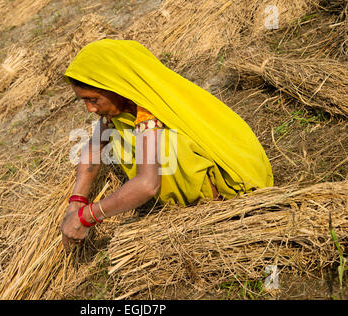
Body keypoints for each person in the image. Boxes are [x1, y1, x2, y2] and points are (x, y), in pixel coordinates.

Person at [60, 39, 273, 251]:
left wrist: (88, 216)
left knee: (169, 146)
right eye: (84, 101)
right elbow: (95, 149)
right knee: (116, 136)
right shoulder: (121, 104)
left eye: (93, 100)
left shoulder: (148, 109)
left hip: (236, 180)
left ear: (114, 86)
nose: (90, 109)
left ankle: (213, 201)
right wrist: (77, 200)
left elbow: (147, 185)